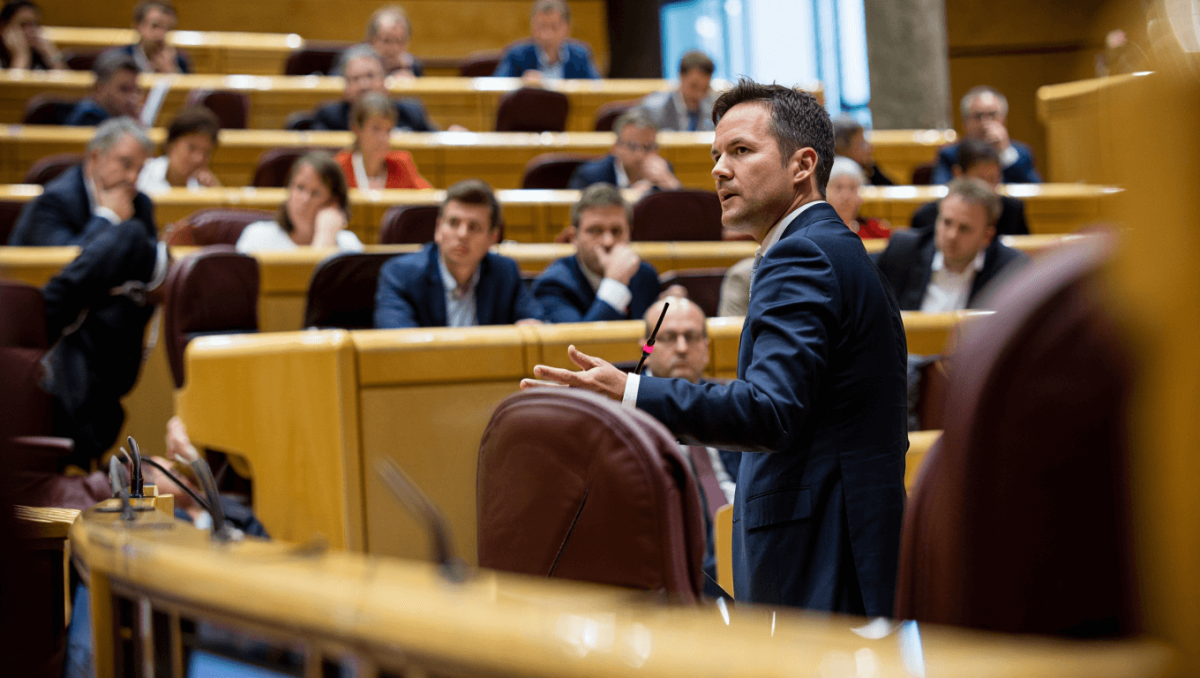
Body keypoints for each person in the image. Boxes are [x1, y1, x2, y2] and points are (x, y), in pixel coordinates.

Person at [524, 80, 909, 616]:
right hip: (840, 549)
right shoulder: (830, 247)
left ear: (802, 165)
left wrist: (630, 391)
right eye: (716, 155)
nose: (719, 170)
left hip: (821, 559)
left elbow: (771, 412)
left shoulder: (801, 256)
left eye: (741, 151)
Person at [8, 118, 168, 464]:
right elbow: (65, 267)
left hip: (99, 343)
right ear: (94, 158)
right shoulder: (54, 202)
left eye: (140, 169)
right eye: (125, 164)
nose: (132, 179)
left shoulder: (140, 206)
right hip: (39, 341)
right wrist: (107, 219)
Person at [374, 179, 543, 328]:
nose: (462, 234)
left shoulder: (505, 272)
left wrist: (531, 328)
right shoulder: (401, 276)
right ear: (438, 229)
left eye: (474, 227)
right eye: (453, 223)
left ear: (493, 237)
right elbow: (397, 346)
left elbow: (536, 322)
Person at [876, 178, 1028, 312]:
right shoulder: (903, 250)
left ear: (987, 236)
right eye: (946, 222)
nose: (951, 235)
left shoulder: (1011, 269)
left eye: (964, 228)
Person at [532, 183, 659, 323]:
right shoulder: (553, 285)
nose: (608, 242)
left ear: (629, 232)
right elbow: (577, 343)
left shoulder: (646, 275)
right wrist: (615, 284)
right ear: (574, 237)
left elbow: (650, 344)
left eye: (616, 231)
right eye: (595, 230)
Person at [235, 151, 363, 253]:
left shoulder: (348, 245)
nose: (305, 200)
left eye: (316, 193)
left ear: (333, 203)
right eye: (300, 187)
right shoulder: (257, 237)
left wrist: (325, 236)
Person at [911, 138, 1028, 236]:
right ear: (958, 174)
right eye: (980, 179)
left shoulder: (1013, 211)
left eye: (993, 179)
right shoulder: (927, 217)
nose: (987, 187)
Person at [311, 45, 435, 132]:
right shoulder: (328, 117)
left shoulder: (411, 112)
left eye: (370, 76)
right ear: (346, 89)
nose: (364, 85)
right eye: (356, 79)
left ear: (384, 81)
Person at [932, 86, 1041, 184]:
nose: (985, 123)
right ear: (965, 123)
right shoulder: (949, 155)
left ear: (1004, 120)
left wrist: (1005, 153)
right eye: (978, 116)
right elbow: (941, 193)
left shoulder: (1021, 155)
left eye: (992, 115)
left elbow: (1037, 196)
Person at [568, 109, 681, 193]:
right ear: (615, 147)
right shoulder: (590, 177)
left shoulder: (664, 172)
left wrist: (673, 186)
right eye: (632, 146)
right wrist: (630, 197)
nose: (640, 155)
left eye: (648, 147)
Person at [335, 91, 431, 190]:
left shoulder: (401, 164)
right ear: (357, 129)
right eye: (376, 129)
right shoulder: (340, 167)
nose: (383, 138)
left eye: (388, 130)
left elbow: (429, 199)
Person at [492, 0, 599, 80]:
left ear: (566, 28)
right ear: (532, 27)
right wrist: (520, 84)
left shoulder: (580, 55)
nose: (547, 34)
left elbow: (599, 90)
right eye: (542, 27)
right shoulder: (516, 55)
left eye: (554, 27)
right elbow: (496, 89)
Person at [136, 106, 220, 194]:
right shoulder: (141, 174)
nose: (199, 158)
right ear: (171, 144)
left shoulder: (205, 188)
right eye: (191, 148)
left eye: (206, 152)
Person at [639, 50, 718, 132]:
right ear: (681, 76)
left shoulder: (715, 111)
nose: (699, 95)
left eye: (705, 89)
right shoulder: (653, 111)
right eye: (694, 86)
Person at [64, 51, 142, 126]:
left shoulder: (120, 116)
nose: (132, 98)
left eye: (136, 90)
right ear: (99, 89)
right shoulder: (88, 118)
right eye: (124, 89)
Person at [115, 0, 191, 74]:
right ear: (137, 28)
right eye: (155, 26)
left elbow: (189, 86)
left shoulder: (180, 61)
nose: (161, 34)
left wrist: (171, 72)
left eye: (168, 29)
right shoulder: (117, 59)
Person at [827, 156, 890, 239]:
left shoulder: (876, 231)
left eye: (852, 188)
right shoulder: (811, 232)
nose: (846, 196)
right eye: (838, 188)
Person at [832, 114, 893, 185]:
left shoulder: (869, 169)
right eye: (862, 144)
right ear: (841, 150)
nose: (870, 148)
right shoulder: (835, 178)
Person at [0, 0, 61, 69]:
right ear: (3, 28)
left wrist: (54, 57)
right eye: (23, 24)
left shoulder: (40, 54)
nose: (30, 31)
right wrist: (21, 57)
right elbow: (15, 79)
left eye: (35, 24)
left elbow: (62, 77)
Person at [364, 5, 422, 77]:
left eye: (399, 41)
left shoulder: (413, 67)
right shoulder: (356, 66)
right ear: (371, 41)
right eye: (387, 41)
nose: (394, 48)